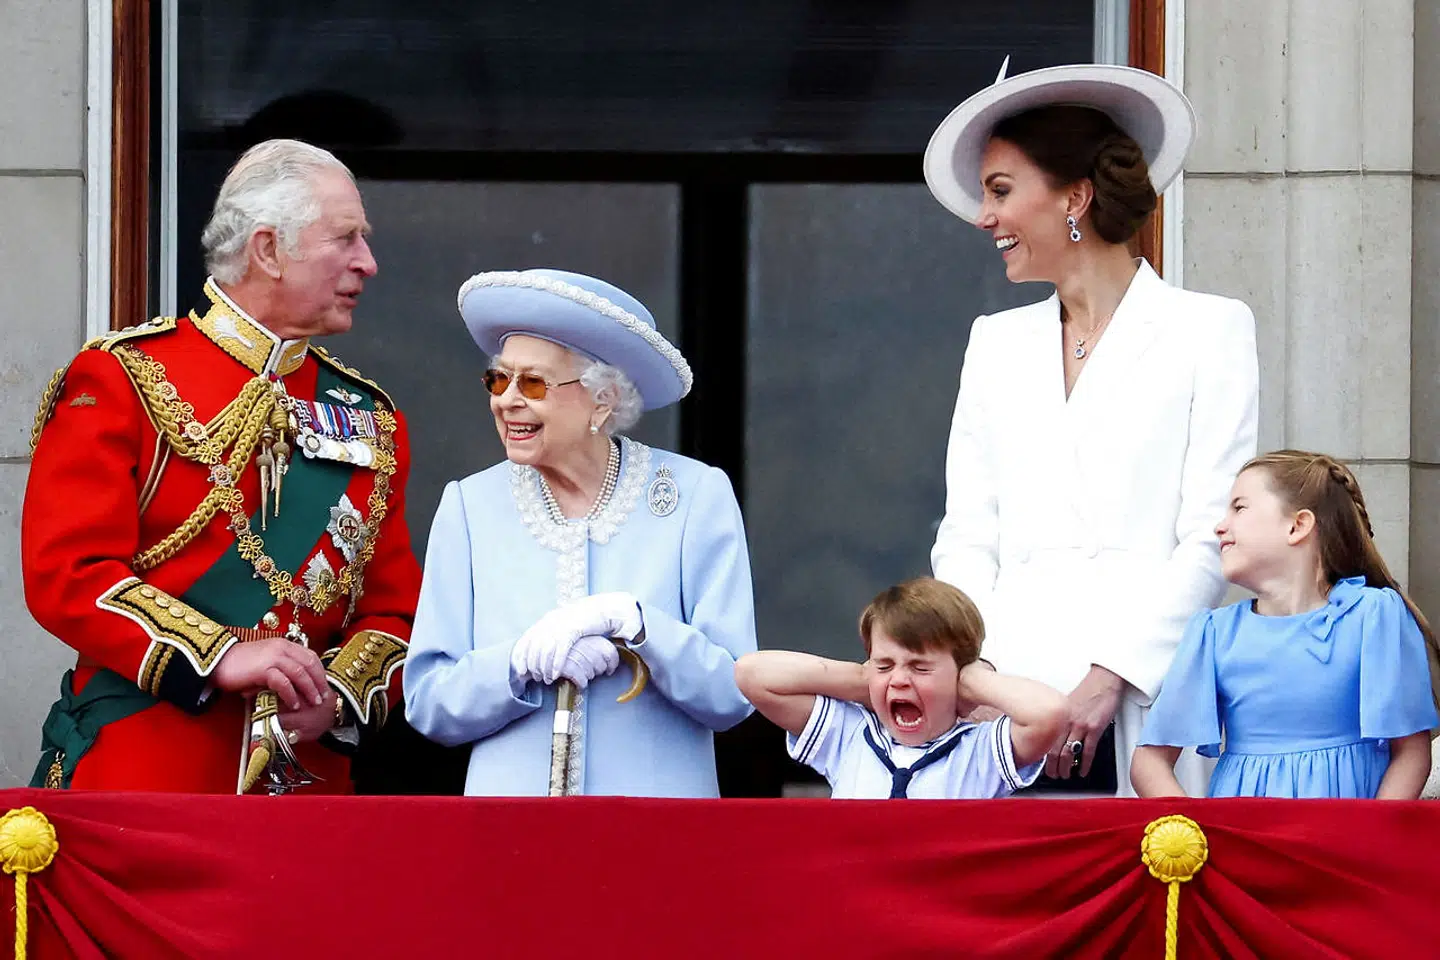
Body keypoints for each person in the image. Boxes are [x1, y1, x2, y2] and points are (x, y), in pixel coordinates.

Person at [22, 139, 422, 794]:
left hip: (309, 793)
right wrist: (222, 656)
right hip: (147, 777)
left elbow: (397, 614)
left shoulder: (371, 417)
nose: (368, 263)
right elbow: (68, 574)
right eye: (346, 239)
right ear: (268, 250)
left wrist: (339, 700)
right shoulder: (125, 378)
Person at [922, 62, 1259, 795]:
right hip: (1003, 715)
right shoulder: (993, 343)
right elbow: (968, 535)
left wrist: (1113, 676)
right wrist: (980, 678)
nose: (985, 217)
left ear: (1075, 196)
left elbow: (1211, 533)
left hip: (1147, 704)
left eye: (1002, 191)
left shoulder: (1210, 330)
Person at [403, 269, 756, 796]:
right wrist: (518, 662)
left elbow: (733, 695)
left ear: (603, 399)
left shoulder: (695, 496)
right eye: (499, 380)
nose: (507, 400)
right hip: (512, 836)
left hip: (656, 832)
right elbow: (429, 702)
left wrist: (638, 626)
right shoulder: (469, 506)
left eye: (534, 383)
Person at [1131, 451, 1440, 799]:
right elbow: (1149, 762)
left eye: (1239, 507)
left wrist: (1367, 841)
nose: (1220, 526)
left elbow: (1411, 754)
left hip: (1342, 842)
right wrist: (1198, 839)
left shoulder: (1373, 616)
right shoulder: (1215, 633)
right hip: (1245, 843)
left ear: (1297, 526)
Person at [735, 577, 1066, 799]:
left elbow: (1050, 713)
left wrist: (971, 681)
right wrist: (861, 682)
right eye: (884, 664)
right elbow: (751, 674)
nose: (900, 680)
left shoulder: (979, 752)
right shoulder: (849, 736)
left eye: (920, 667)